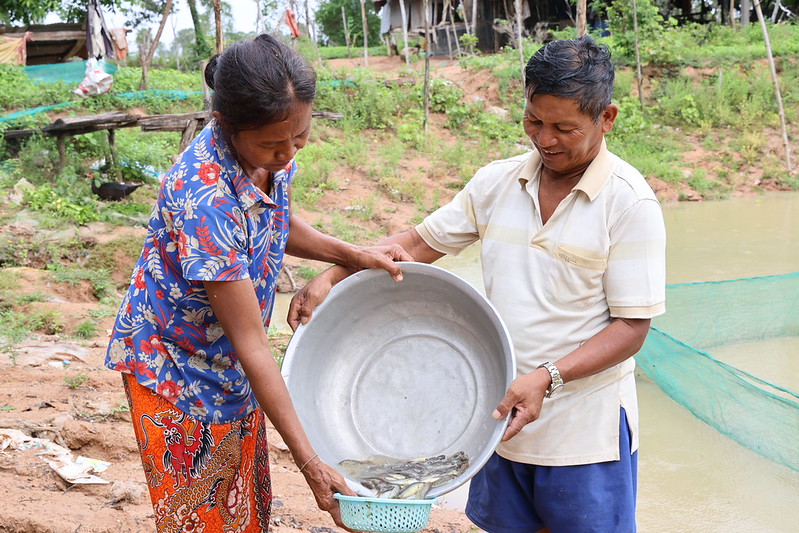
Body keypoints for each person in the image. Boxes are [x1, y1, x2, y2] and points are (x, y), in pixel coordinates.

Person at [289, 35, 666, 533]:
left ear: (607, 118)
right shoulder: (498, 183)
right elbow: (416, 244)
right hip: (496, 427)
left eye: (564, 127)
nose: (545, 138)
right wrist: (334, 273)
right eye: (535, 121)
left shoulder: (629, 205)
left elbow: (632, 328)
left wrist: (546, 378)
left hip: (584, 435)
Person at [104, 34, 412, 532]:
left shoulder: (270, 150)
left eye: (300, 137)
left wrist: (350, 255)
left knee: (244, 508)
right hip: (177, 369)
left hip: (230, 366)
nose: (288, 153)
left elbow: (274, 219)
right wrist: (311, 464)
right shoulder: (204, 196)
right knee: (200, 518)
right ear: (226, 123)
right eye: (273, 144)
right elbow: (252, 343)